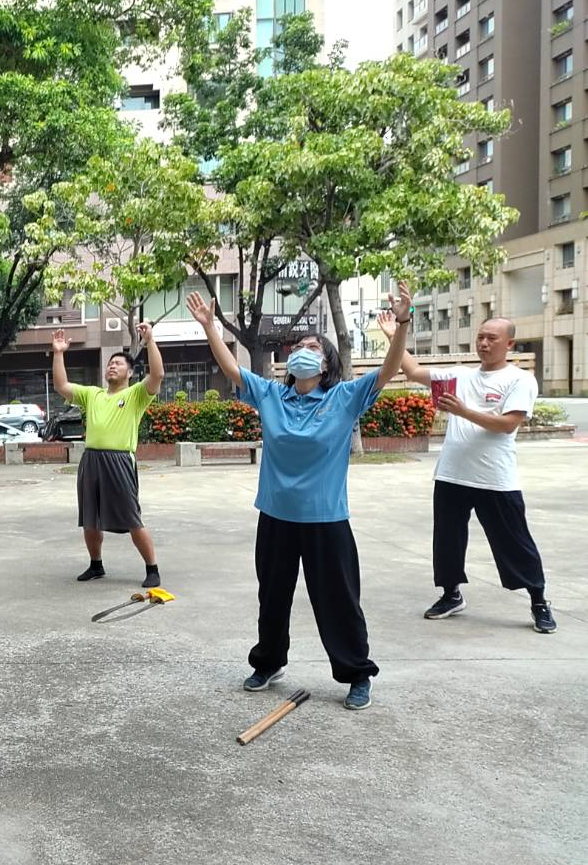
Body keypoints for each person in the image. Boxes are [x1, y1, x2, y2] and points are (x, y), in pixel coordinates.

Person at [188, 283, 413, 711]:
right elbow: (232, 370)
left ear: (325, 364)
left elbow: (387, 371)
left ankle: (357, 673)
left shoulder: (344, 398)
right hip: (276, 516)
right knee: (272, 596)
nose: (301, 351)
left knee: (338, 601)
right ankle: (269, 662)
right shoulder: (272, 394)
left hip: (326, 519)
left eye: (313, 347)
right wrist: (210, 327)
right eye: (299, 346)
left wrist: (401, 323)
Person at [378, 311, 556, 634]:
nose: (484, 343)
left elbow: (507, 425)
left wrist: (463, 411)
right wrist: (394, 334)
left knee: (514, 542)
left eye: (492, 338)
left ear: (509, 344)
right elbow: (414, 371)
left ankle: (538, 601)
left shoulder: (520, 380)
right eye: (480, 337)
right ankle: (451, 594)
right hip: (452, 475)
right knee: (447, 540)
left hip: (495, 478)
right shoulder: (459, 375)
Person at [51, 323, 166, 588]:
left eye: (118, 363)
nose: (112, 366)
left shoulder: (136, 394)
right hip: (91, 460)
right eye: (110, 364)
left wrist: (150, 341)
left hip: (120, 461)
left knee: (132, 517)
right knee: (90, 518)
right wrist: (58, 353)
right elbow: (61, 385)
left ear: (130, 372)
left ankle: (152, 568)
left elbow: (158, 374)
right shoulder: (93, 394)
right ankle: (96, 565)